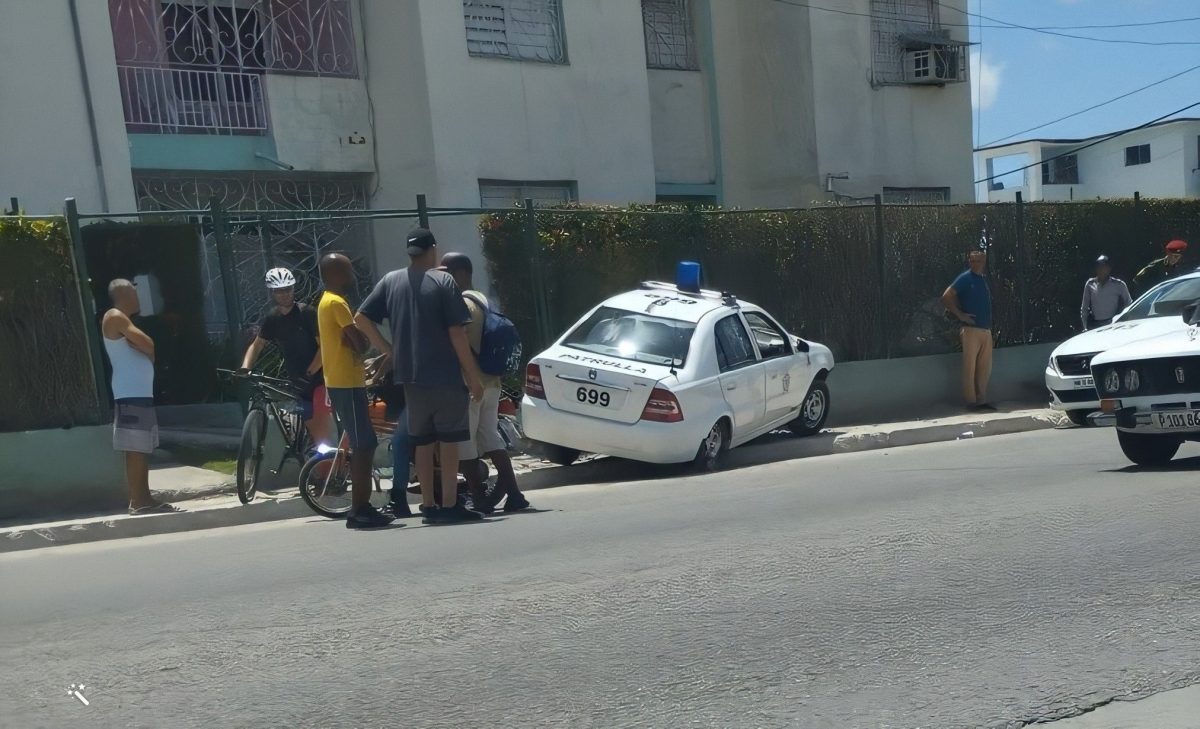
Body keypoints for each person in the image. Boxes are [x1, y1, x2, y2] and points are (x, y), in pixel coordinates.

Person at [354, 228, 486, 525]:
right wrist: (473, 376)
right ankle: (449, 504)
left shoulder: (391, 280)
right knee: (449, 442)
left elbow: (360, 318)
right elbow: (457, 332)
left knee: (422, 442)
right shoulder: (444, 281)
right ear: (433, 250)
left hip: (410, 378)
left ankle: (428, 505)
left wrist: (390, 349)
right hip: (445, 375)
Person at [440, 252, 532, 514]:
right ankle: (514, 494)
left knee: (466, 441)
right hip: (493, 381)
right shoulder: (482, 299)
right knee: (491, 436)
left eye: (447, 272)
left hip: (471, 383)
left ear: (460, 274)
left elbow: (459, 343)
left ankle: (479, 499)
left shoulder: (461, 304)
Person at [316, 253, 393, 529]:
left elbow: (355, 342)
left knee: (364, 442)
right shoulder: (337, 303)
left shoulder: (328, 302)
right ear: (334, 274)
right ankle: (359, 509)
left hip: (346, 381)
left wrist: (356, 341)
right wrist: (359, 340)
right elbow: (360, 344)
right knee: (364, 443)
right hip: (345, 383)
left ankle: (362, 507)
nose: (352, 276)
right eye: (347, 271)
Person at [101, 279, 180, 515]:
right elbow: (148, 343)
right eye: (134, 293)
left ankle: (145, 498)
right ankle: (137, 501)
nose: (138, 298)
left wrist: (148, 349)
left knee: (142, 447)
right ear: (124, 294)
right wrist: (149, 348)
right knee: (135, 448)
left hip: (138, 393)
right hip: (130, 393)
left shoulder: (124, 320)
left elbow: (147, 348)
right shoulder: (115, 316)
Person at [239, 267, 332, 447]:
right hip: (296, 380)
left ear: (293, 289)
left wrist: (311, 371)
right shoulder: (272, 318)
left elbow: (325, 347)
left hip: (319, 379)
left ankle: (325, 469)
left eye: (288, 289)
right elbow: (257, 344)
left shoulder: (307, 313)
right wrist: (245, 367)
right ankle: (310, 465)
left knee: (320, 433)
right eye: (279, 291)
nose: (284, 294)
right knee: (299, 430)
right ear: (272, 292)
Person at [941, 250, 995, 412]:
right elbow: (946, 296)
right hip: (971, 329)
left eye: (977, 261)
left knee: (985, 367)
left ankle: (982, 399)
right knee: (970, 366)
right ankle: (971, 401)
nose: (974, 264)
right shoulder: (965, 278)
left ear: (983, 262)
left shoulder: (982, 280)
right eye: (972, 261)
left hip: (985, 329)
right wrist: (960, 315)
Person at [1080, 255, 1132, 331]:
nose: (1100, 270)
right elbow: (1084, 308)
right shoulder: (1090, 284)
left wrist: (1126, 321)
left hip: (1113, 323)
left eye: (1103, 267)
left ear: (1109, 269)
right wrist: (1085, 327)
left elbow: (1129, 304)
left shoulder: (1118, 284)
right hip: (1095, 325)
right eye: (1098, 267)